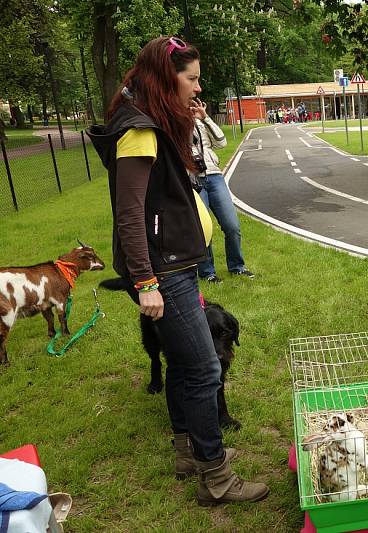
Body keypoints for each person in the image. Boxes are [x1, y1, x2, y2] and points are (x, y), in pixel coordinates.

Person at [87, 36, 269, 506]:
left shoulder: (155, 123)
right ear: (166, 79)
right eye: (190, 78)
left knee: (186, 365)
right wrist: (146, 282)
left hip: (174, 265)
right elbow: (130, 214)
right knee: (206, 369)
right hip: (163, 273)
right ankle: (218, 477)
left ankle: (187, 454)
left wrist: (187, 120)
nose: (197, 86)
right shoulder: (139, 132)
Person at [192, 100, 255, 283]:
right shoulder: (173, 122)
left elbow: (221, 142)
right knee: (204, 228)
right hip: (192, 179)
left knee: (232, 225)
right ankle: (207, 272)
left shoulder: (201, 121)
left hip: (214, 176)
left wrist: (205, 118)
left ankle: (237, 266)